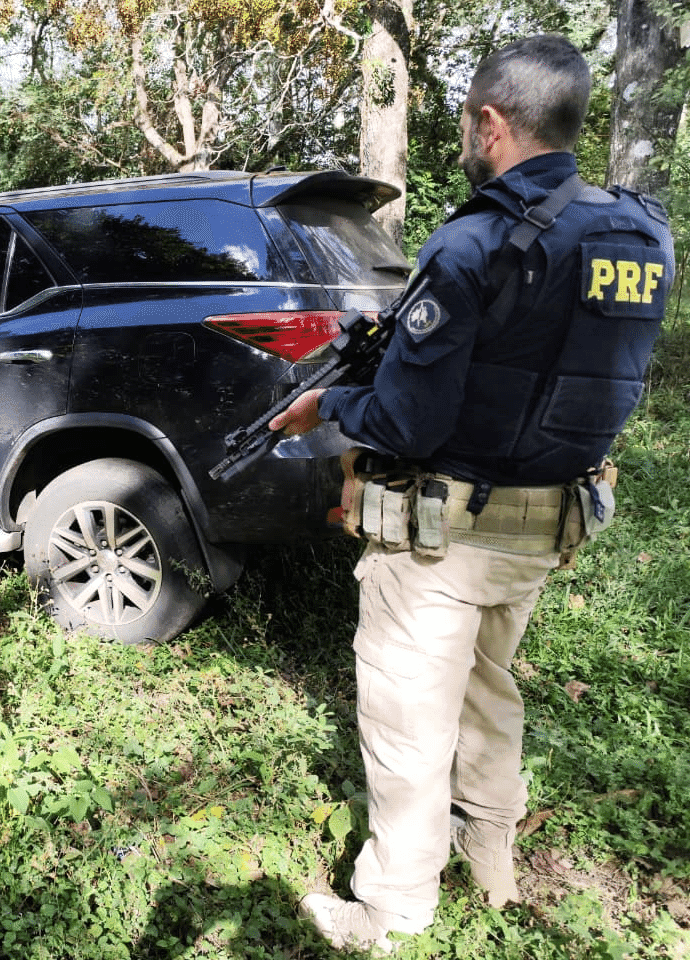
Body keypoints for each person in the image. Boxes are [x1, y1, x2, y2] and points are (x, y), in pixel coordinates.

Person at [270, 34, 675, 952]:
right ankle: (491, 856)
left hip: (445, 538)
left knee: (410, 719)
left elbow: (408, 423)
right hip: (549, 523)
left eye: (465, 122)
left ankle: (391, 911)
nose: (464, 136)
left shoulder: (474, 242)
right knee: (488, 687)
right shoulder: (644, 233)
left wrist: (327, 403)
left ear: (491, 123)